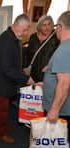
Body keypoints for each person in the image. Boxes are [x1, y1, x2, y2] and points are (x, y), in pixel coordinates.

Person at [0, 14, 35, 143]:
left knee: (5, 108)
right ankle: (0, 133)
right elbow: (6, 69)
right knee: (2, 110)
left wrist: (21, 69)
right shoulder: (6, 41)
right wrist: (26, 79)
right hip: (2, 82)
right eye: (25, 29)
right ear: (16, 25)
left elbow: (12, 61)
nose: (25, 33)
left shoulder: (12, 37)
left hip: (5, 81)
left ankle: (2, 126)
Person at [43, 11, 70, 139]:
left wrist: (54, 110)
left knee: (56, 145)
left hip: (61, 109)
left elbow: (64, 83)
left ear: (59, 27)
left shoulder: (65, 49)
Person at [23, 15, 60, 82]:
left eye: (49, 24)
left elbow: (59, 57)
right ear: (39, 27)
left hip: (48, 75)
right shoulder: (33, 37)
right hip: (33, 75)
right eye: (44, 25)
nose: (47, 27)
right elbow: (27, 55)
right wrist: (26, 67)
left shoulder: (56, 38)